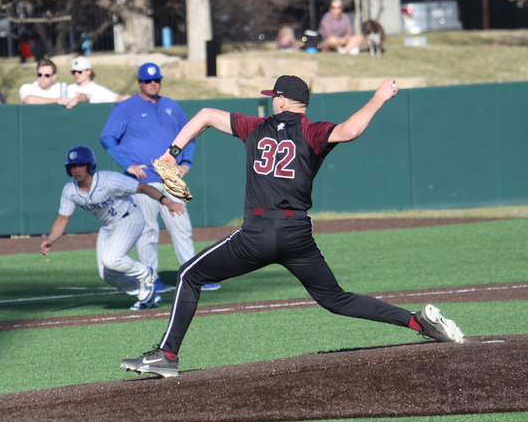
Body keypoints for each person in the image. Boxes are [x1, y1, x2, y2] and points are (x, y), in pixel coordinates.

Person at [121, 75, 464, 377]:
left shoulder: (256, 126)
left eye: (274, 95)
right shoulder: (312, 132)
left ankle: (166, 355)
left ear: (281, 99)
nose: (273, 99)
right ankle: (418, 321)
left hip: (256, 234)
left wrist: (172, 152)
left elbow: (207, 115)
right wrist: (378, 97)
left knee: (188, 276)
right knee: (335, 299)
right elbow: (352, 130)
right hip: (297, 235)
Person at [100, 62, 222, 295]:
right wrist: (129, 165)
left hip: (171, 180)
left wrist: (186, 162)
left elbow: (191, 133)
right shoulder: (127, 107)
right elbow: (107, 138)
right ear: (140, 83)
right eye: (148, 81)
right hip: (144, 182)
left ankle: (193, 276)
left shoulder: (170, 106)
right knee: (147, 231)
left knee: (182, 227)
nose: (153, 84)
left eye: (156, 80)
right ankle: (151, 277)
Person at [41, 145, 185, 311]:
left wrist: (168, 202)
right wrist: (50, 239)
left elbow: (143, 187)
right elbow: (62, 219)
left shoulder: (109, 180)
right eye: (72, 166)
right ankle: (147, 294)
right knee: (106, 274)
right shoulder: (70, 190)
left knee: (112, 260)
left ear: (90, 165)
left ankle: (146, 273)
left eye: (80, 165)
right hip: (108, 226)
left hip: (129, 218)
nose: (76, 170)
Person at [19, 59, 88, 109]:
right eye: (40, 75)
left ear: (53, 76)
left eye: (47, 75)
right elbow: (29, 101)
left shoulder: (61, 87)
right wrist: (57, 100)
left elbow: (84, 96)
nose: (42, 78)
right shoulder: (27, 87)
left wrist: (76, 100)